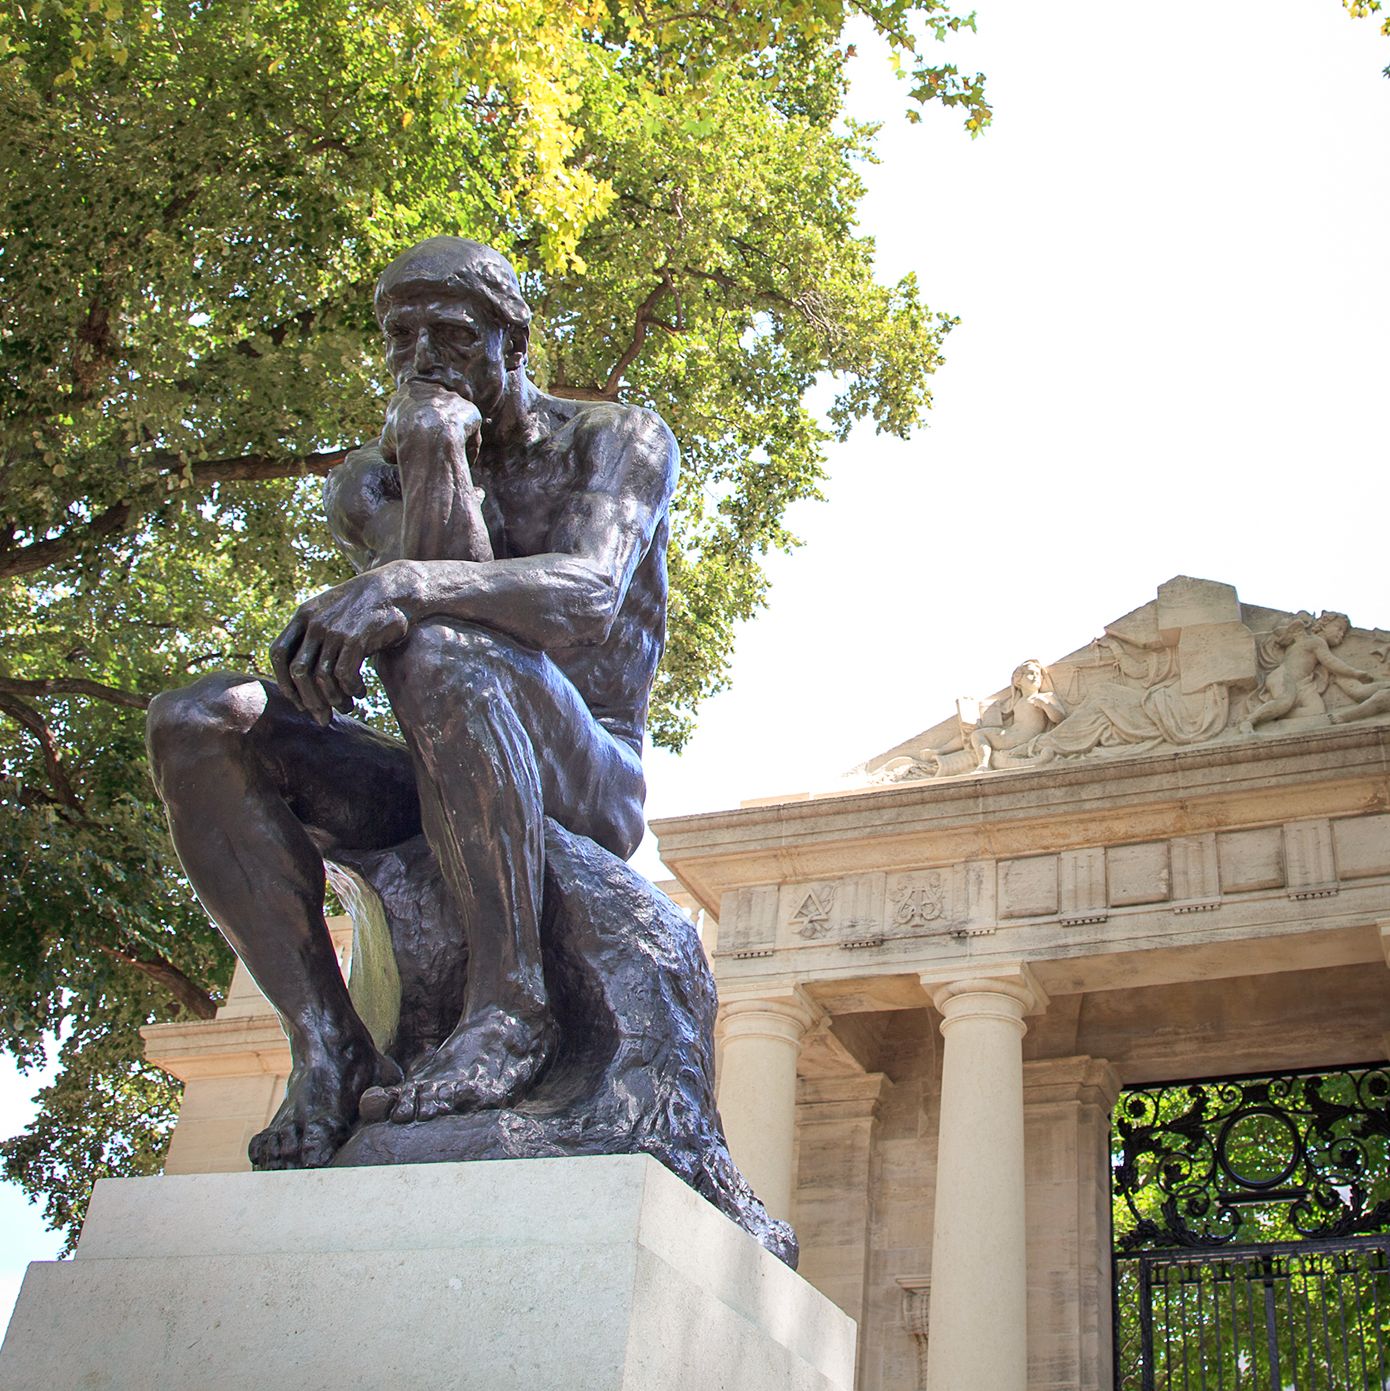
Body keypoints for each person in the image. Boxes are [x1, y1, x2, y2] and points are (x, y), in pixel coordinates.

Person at [145, 237, 679, 1169]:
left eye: (454, 333)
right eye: (400, 337)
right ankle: (327, 1041)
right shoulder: (368, 479)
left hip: (588, 772)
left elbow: (586, 599)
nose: (424, 356)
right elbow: (440, 589)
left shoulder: (616, 440)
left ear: (515, 340)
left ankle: (511, 1005)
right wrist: (436, 449)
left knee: (436, 631)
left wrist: (402, 583)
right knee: (198, 721)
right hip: (445, 758)